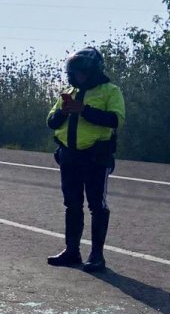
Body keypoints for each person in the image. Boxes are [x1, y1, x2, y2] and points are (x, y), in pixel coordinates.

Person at [46, 47, 125, 273]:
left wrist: (84, 110)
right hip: (69, 156)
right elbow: (51, 122)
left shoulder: (110, 91)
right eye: (74, 72)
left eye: (81, 72)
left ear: (93, 71)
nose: (77, 76)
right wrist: (63, 111)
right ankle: (72, 251)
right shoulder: (68, 92)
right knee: (72, 204)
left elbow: (116, 120)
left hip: (96, 158)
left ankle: (97, 256)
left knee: (97, 206)